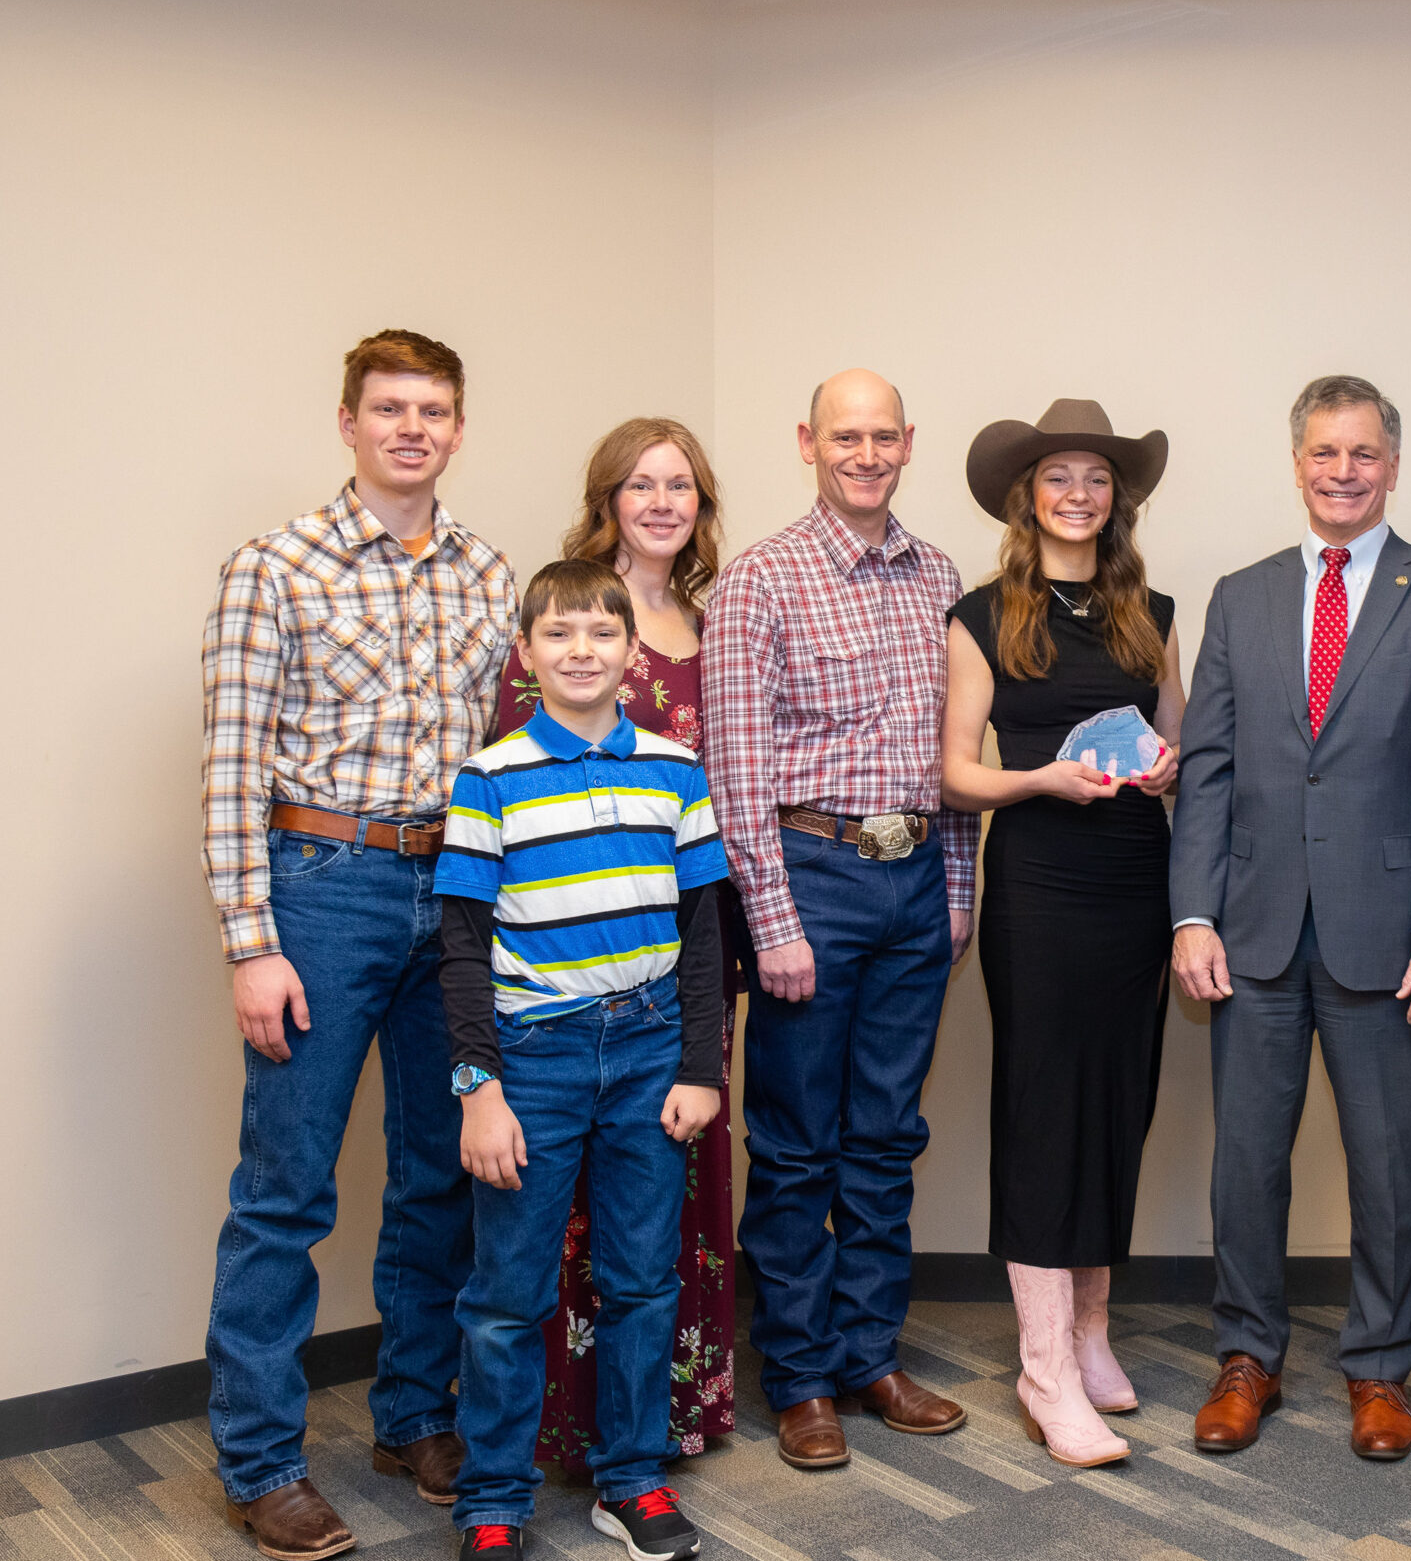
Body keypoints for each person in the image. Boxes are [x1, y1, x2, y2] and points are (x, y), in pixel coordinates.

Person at [199, 329, 514, 1561]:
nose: (410, 428)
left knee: (441, 1177)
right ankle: (263, 1461)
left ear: (456, 427)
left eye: (433, 409)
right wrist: (249, 941)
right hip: (320, 886)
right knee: (286, 1192)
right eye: (388, 408)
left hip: (456, 896)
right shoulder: (273, 569)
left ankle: (412, 1417)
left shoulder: (491, 573)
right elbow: (230, 765)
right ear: (347, 422)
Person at [1170, 374, 1411, 1462]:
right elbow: (1208, 770)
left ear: (1392, 465)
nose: (1343, 472)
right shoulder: (1243, 593)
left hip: (1392, 936)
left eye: (1363, 453)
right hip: (1255, 930)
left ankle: (1378, 1369)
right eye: (1324, 453)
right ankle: (1247, 1359)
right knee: (1246, 1165)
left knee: (1388, 1167)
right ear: (1298, 463)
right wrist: (1193, 914)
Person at [701, 369, 976, 1469]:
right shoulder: (759, 580)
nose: (864, 454)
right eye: (843, 436)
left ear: (908, 444)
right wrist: (771, 922)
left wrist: (954, 901)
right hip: (810, 879)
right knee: (800, 1141)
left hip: (919, 886)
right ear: (807, 442)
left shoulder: (943, 578)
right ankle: (802, 1375)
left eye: (882, 437)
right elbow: (735, 767)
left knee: (885, 1136)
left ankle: (870, 1356)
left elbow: (953, 760)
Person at [437, 558, 727, 1561]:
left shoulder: (675, 768)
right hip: (537, 1057)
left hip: (650, 1052)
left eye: (601, 635)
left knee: (644, 1277)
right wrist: (480, 1086)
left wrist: (703, 1066)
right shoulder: (489, 777)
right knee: (508, 1294)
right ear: (527, 655)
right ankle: (493, 1503)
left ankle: (631, 1479)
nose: (581, 652)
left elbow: (704, 936)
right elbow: (461, 948)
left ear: (629, 653)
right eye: (558, 635)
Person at [487, 418, 739, 1471]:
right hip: (566, 987)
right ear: (607, 498)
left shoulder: (716, 619)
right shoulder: (569, 613)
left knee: (665, 1200)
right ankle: (561, 1426)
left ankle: (664, 1422)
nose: (662, 502)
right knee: (562, 1216)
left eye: (680, 485)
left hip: (679, 938)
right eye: (640, 484)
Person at [942, 399, 1184, 1469]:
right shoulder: (983, 614)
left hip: (1136, 884)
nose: (1078, 495)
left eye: (1096, 479)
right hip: (1041, 888)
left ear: (1115, 498)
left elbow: (1181, 742)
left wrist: (1169, 765)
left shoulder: (1154, 612)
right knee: (1046, 1115)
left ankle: (1090, 1333)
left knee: (1117, 1107)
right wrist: (1038, 779)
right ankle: (1043, 1368)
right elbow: (952, 772)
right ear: (1024, 497)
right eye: (1058, 478)